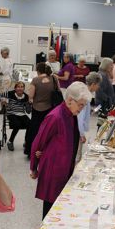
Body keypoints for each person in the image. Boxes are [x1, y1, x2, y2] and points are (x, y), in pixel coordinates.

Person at [30, 81, 92, 219]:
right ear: (70, 100)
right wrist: (34, 168)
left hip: (64, 167)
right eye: (81, 104)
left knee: (60, 207)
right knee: (50, 209)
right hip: (53, 170)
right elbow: (38, 142)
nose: (82, 108)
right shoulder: (55, 116)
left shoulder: (71, 114)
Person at [24, 62, 55, 157]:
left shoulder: (35, 80)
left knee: (35, 130)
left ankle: (32, 151)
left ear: (38, 71)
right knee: (47, 130)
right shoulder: (53, 78)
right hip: (50, 108)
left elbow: (31, 96)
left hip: (37, 108)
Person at [77, 72, 101, 161]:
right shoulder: (86, 96)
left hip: (78, 129)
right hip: (78, 131)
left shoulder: (84, 92)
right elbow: (80, 117)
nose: (98, 87)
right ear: (93, 84)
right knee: (77, 155)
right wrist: (81, 134)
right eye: (98, 85)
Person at [0, 81, 31, 152]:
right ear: (15, 88)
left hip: (21, 113)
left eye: (22, 87)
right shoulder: (10, 93)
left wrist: (29, 104)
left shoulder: (26, 96)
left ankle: (26, 141)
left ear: (24, 88)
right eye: (18, 87)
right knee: (17, 124)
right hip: (11, 113)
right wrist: (2, 100)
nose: (20, 88)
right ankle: (10, 141)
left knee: (30, 124)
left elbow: (28, 111)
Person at [0, 47, 13, 114]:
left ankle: (4, 109)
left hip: (5, 79)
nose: (1, 54)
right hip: (6, 79)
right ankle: (4, 108)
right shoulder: (9, 59)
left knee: (3, 95)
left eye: (1, 53)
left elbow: (4, 72)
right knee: (4, 95)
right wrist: (0, 67)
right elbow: (4, 70)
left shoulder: (6, 61)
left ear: (5, 53)